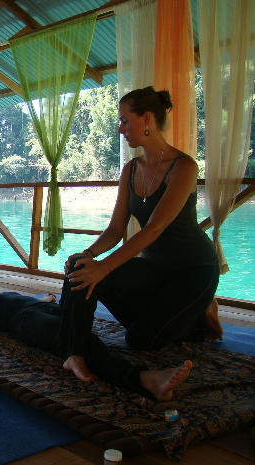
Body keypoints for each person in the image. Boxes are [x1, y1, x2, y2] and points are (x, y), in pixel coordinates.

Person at [58, 87, 221, 382]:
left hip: (194, 269)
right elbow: (115, 229)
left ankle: (197, 316)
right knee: (81, 271)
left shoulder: (184, 167)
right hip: (154, 267)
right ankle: (74, 353)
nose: (120, 129)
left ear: (146, 119)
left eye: (124, 121)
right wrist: (89, 255)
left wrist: (104, 267)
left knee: (140, 340)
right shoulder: (130, 170)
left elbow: (154, 228)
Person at [0, 283, 193, 402]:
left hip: (45, 310)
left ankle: (189, 319)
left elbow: (27, 299)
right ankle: (145, 380)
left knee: (86, 319)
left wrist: (45, 298)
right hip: (27, 321)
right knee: (84, 342)